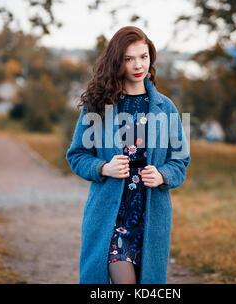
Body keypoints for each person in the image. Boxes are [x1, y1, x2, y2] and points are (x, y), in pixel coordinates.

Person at [66, 26, 190, 284]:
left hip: (149, 219)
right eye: (129, 58)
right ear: (117, 61)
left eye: (143, 57)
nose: (138, 65)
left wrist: (163, 174)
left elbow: (180, 161)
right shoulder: (98, 105)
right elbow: (77, 155)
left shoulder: (165, 108)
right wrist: (103, 168)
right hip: (110, 219)